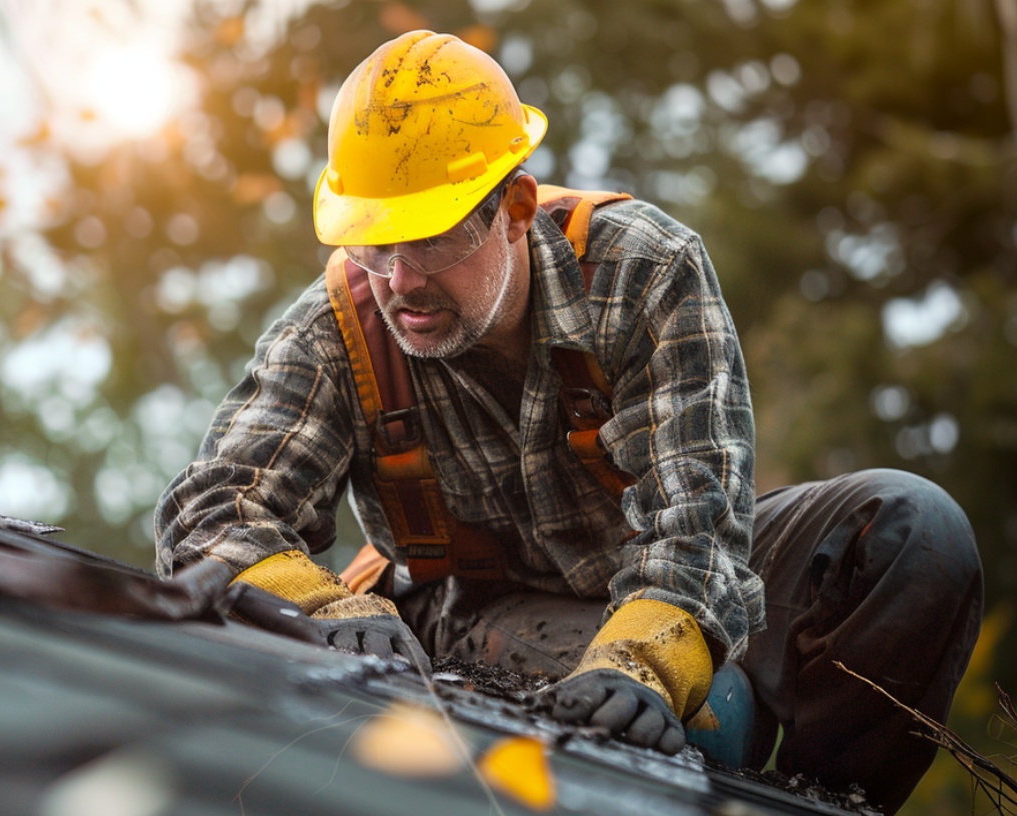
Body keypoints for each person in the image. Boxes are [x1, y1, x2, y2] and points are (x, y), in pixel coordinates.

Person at [154, 30, 981, 812]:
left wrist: (646, 661)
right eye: (373, 242)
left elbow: (699, 518)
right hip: (489, 606)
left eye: (430, 238)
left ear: (514, 207)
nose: (397, 280)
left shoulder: (646, 270)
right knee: (713, 717)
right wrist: (327, 610)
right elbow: (211, 514)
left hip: (675, 571)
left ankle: (821, 803)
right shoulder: (335, 329)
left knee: (916, 533)